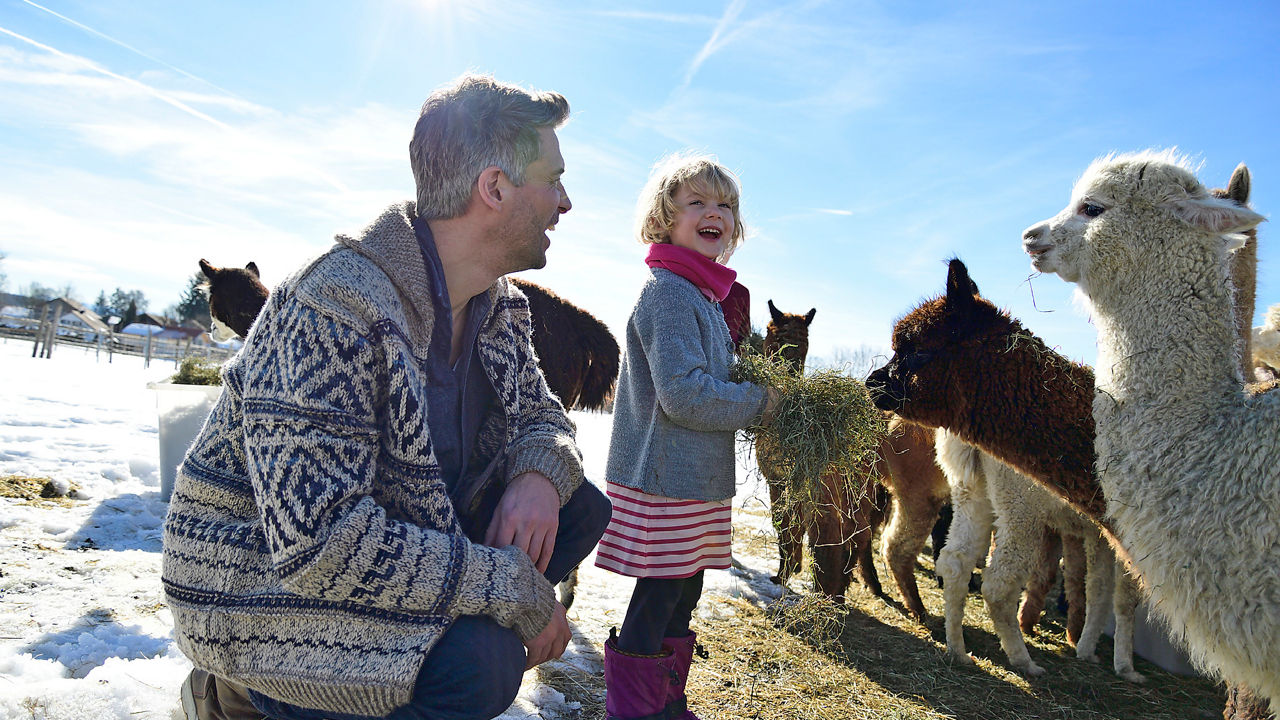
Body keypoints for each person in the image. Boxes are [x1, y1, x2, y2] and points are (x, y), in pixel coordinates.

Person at [163, 73, 612, 720]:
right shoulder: (334, 305)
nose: (564, 202)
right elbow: (322, 544)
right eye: (555, 179)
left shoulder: (496, 304)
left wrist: (539, 474)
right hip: (264, 592)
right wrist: (510, 588)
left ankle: (405, 677)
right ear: (494, 188)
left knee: (579, 508)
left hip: (397, 547)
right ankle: (237, 693)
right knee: (479, 668)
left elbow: (545, 416)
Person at [593, 154, 778, 720]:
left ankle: (665, 699)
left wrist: (754, 378)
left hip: (692, 478)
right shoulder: (669, 293)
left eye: (724, 205)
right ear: (664, 219)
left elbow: (709, 380)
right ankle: (635, 710)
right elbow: (686, 394)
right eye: (696, 202)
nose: (712, 213)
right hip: (665, 476)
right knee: (660, 593)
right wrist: (764, 402)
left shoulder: (703, 295)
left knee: (684, 591)